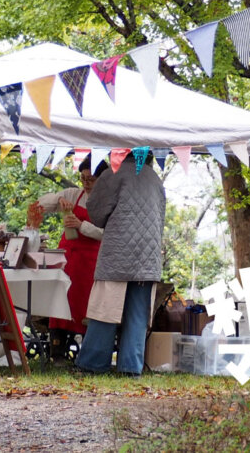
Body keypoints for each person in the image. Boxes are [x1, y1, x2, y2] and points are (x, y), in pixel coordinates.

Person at [74, 152, 166, 376]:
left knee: (106, 310)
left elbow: (96, 214)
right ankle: (130, 367)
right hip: (148, 257)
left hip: (118, 251)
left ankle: (93, 363)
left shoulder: (112, 174)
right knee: (137, 315)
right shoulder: (155, 179)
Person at [28, 155, 106, 359]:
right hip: (68, 255)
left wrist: (81, 226)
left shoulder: (107, 202)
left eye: (91, 179)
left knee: (86, 303)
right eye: (83, 178)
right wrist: (57, 199)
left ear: (102, 179)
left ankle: (88, 351)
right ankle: (57, 348)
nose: (86, 184)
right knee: (61, 298)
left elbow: (105, 233)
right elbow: (41, 204)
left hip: (91, 258)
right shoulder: (73, 194)